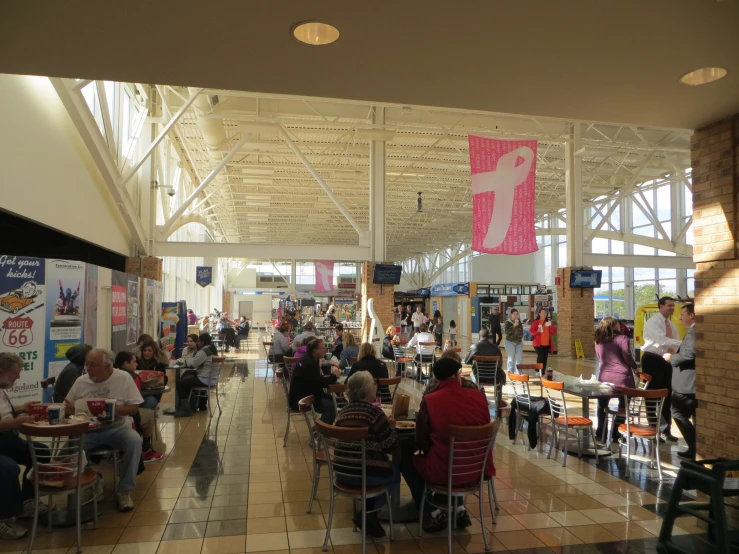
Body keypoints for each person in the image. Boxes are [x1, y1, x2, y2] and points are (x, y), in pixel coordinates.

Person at [411, 357, 495, 531]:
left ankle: (433, 511)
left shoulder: (431, 400)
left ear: (437, 378)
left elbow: (420, 441)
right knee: (456, 456)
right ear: (457, 375)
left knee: (407, 460)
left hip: (444, 471)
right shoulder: (478, 396)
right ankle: (458, 509)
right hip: (477, 469)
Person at [64, 348, 144, 512]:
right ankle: (93, 480)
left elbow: (134, 408)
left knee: (134, 441)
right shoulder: (81, 381)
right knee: (68, 450)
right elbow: (67, 405)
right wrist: (72, 409)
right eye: (87, 364)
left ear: (107, 366)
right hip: (88, 430)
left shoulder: (123, 378)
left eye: (93, 365)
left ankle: (124, 489)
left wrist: (111, 409)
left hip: (117, 427)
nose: (88, 369)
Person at [333, 371, 397, 537]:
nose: (376, 387)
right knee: (394, 471)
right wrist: (391, 427)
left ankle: (367, 514)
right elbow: (389, 445)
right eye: (373, 385)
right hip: (367, 474)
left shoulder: (342, 413)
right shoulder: (375, 414)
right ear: (369, 391)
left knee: (370, 465)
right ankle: (369, 514)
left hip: (342, 472)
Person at [0, 353, 50, 540]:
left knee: (40, 452)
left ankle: (27, 501)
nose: (18, 377)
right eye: (16, 373)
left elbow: (5, 413)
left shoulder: (2, 387)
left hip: (7, 438)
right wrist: (15, 423)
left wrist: (22, 408)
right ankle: (4, 518)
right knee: (8, 469)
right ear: (1, 371)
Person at [641, 296, 681, 442]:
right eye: (669, 305)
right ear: (660, 306)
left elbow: (674, 346)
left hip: (666, 361)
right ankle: (653, 430)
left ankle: (666, 429)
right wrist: (686, 343)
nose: (672, 308)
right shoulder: (652, 323)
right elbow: (662, 341)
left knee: (667, 395)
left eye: (673, 306)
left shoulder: (671, 324)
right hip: (653, 360)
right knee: (652, 396)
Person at [593, 317, 637, 444]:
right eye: (618, 324)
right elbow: (627, 356)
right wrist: (634, 367)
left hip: (604, 377)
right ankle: (616, 434)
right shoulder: (622, 339)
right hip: (622, 378)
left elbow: (599, 357)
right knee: (623, 405)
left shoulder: (598, 340)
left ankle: (600, 432)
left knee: (602, 405)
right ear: (614, 326)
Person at [114, 352, 163, 463]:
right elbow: (136, 399)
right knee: (150, 412)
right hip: (126, 414)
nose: (136, 364)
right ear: (126, 364)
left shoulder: (109, 374)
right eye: (134, 362)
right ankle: (145, 449)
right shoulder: (133, 377)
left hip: (106, 414)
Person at [664, 303, 696, 459]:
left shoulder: (693, 332)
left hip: (686, 385)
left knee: (677, 413)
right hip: (690, 384)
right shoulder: (693, 331)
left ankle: (694, 447)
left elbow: (689, 355)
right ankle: (696, 448)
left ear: (692, 315)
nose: (679, 317)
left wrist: (671, 358)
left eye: (682, 314)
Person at [288, 337, 342, 422]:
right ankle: (322, 429)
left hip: (307, 394)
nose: (325, 350)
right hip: (302, 400)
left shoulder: (310, 359)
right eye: (322, 348)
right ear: (315, 350)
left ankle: (325, 427)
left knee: (339, 400)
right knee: (332, 406)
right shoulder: (309, 363)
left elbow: (316, 380)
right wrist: (334, 376)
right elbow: (320, 383)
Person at [173, 333, 220, 417]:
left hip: (204, 379)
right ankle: (194, 405)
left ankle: (186, 409)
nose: (198, 343)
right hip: (212, 378)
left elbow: (193, 364)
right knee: (187, 376)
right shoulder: (212, 349)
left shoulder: (204, 351)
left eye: (198, 341)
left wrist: (187, 357)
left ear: (202, 342)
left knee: (181, 384)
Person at [503, 309, 524, 374]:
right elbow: (507, 332)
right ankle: (510, 373)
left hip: (518, 342)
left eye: (516, 314)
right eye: (514, 314)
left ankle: (519, 374)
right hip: (510, 342)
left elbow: (521, 331)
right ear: (511, 314)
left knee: (519, 359)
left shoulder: (519, 321)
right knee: (511, 359)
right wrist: (513, 326)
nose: (515, 315)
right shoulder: (507, 322)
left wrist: (520, 338)